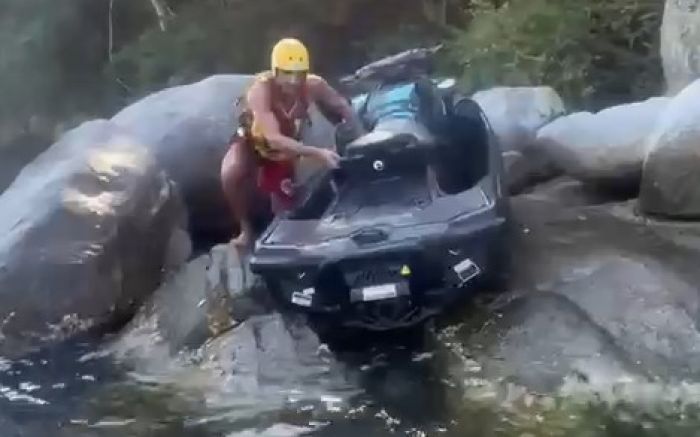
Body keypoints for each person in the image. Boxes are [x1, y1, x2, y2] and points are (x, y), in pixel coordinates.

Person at [221, 37, 363, 249]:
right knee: (231, 173)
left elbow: (341, 105)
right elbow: (272, 137)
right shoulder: (260, 91)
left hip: (283, 150)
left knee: (286, 211)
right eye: (287, 73)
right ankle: (245, 230)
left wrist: (359, 133)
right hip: (253, 142)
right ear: (276, 71)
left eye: (300, 73)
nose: (294, 81)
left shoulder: (313, 85)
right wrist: (317, 153)